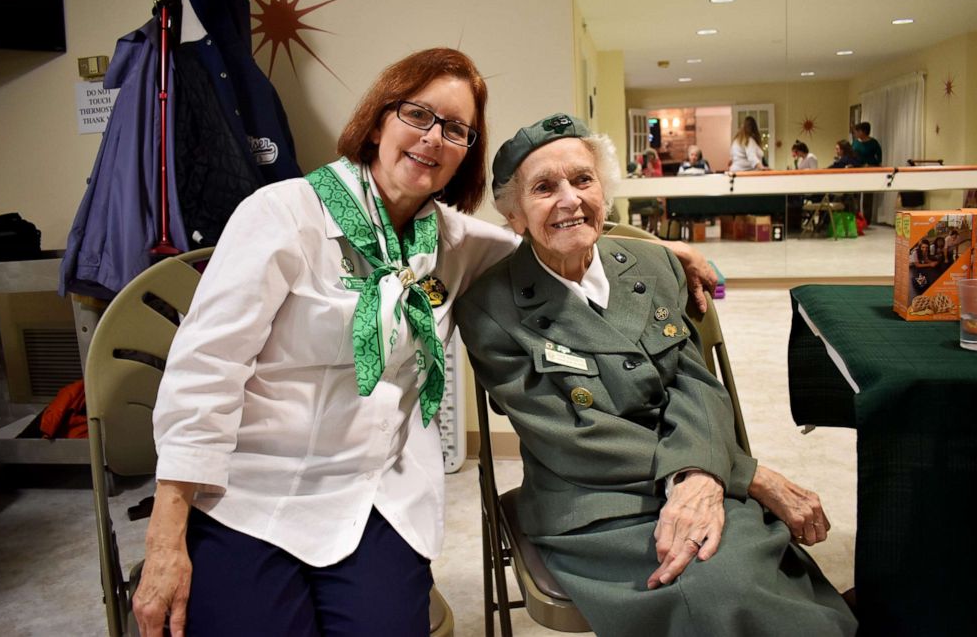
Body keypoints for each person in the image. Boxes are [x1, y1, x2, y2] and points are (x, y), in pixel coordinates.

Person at [133, 51, 717, 637]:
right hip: (249, 491)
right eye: (418, 115)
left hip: (375, 494)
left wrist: (659, 251)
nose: (433, 138)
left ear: (467, 151)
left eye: (457, 129)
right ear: (379, 118)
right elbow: (204, 369)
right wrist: (166, 533)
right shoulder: (282, 215)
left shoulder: (456, 241)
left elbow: (551, 232)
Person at [455, 113, 857, 637]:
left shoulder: (653, 266)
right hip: (594, 503)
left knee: (755, 561)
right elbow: (569, 438)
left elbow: (695, 383)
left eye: (583, 179)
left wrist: (706, 477)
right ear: (515, 215)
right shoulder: (490, 307)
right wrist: (736, 473)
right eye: (544, 188)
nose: (570, 199)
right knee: (721, 583)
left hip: (698, 469)